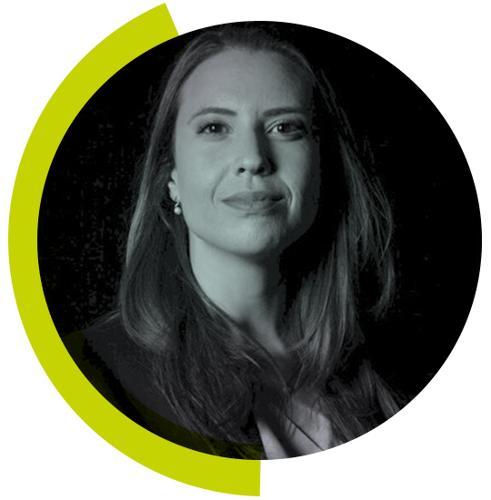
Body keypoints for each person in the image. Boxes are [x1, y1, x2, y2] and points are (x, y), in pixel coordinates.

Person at [64, 22, 402, 459]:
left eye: (285, 127)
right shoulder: (86, 376)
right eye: (214, 128)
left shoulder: (387, 380)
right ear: (171, 177)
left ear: (323, 168)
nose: (254, 158)